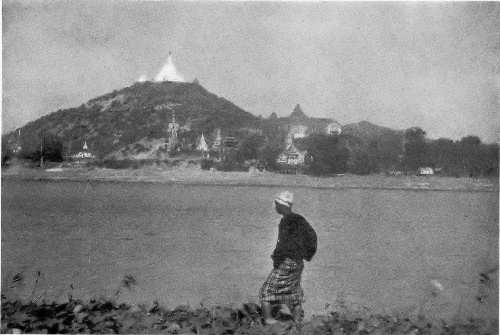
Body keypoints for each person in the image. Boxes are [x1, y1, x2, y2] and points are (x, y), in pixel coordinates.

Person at [259, 191, 317, 324]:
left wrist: (277, 257)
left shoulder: (286, 221)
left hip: (287, 261)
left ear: (281, 205)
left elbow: (284, 243)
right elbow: (312, 237)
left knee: (266, 292)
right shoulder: (299, 219)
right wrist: (306, 255)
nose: (275, 207)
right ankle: (297, 323)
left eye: (276, 204)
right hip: (298, 262)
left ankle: (269, 321)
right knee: (294, 293)